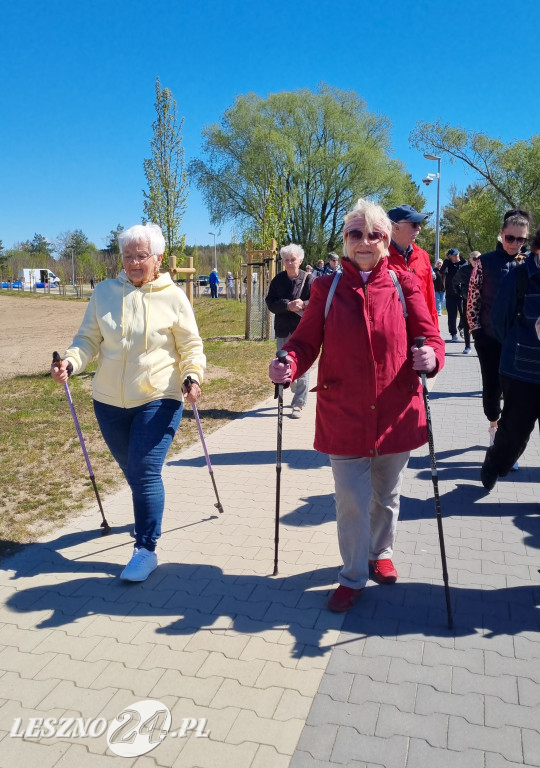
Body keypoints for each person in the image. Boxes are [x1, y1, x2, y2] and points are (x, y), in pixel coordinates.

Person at [269, 199, 445, 612]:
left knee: (386, 495)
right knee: (350, 499)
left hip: (395, 410)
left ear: (386, 239)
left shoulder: (404, 284)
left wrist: (432, 357)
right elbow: (305, 342)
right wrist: (289, 362)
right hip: (344, 411)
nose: (364, 241)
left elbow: (431, 337)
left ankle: (380, 553)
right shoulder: (326, 288)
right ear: (345, 240)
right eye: (355, 234)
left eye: (374, 234)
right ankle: (352, 575)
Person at [50, 223, 206, 582]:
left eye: (142, 255)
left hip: (158, 398)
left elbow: (191, 346)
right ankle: (145, 512)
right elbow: (87, 339)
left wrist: (193, 375)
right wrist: (70, 363)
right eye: (128, 256)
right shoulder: (104, 292)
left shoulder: (173, 297)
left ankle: (145, 549)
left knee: (145, 471)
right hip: (108, 402)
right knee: (134, 471)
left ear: (158, 258)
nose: (134, 262)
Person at [480, 228, 540, 490]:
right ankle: (495, 462)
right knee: (514, 434)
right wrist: (521, 341)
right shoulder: (519, 276)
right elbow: (499, 321)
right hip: (520, 371)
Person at [468, 210, 531, 448]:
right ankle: (494, 426)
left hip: (520, 340)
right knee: (492, 387)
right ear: (501, 234)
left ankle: (508, 438)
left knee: (516, 390)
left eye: (521, 239)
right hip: (489, 338)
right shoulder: (484, 262)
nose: (515, 243)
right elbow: (473, 299)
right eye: (510, 237)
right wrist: (477, 332)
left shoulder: (530, 264)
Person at [265, 244, 314, 419]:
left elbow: (319, 301)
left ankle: (298, 403)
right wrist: (287, 305)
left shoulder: (310, 279)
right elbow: (270, 303)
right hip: (283, 330)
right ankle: (293, 385)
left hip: (303, 330)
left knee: (303, 366)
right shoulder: (277, 280)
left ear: (300, 260)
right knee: (285, 365)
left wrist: (304, 304)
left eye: (293, 259)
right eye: (286, 260)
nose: (290, 263)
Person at [387, 204, 439, 329]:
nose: (419, 228)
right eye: (414, 224)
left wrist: (434, 331)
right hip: (393, 330)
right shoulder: (379, 257)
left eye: (419, 224)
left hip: (421, 329)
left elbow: (430, 299)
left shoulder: (423, 256)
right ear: (396, 227)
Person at [452, 251, 480, 353]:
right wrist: (460, 293)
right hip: (467, 299)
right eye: (475, 258)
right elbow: (454, 282)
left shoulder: (484, 269)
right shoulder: (464, 270)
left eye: (479, 258)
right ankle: (467, 346)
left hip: (481, 300)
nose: (477, 261)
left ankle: (479, 348)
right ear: (470, 259)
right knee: (467, 322)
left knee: (480, 324)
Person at [441, 248, 467, 342]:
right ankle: (453, 333)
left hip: (462, 294)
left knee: (464, 314)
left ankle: (461, 327)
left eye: (457, 254)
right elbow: (442, 272)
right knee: (452, 315)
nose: (456, 256)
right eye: (453, 255)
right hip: (450, 293)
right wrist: (446, 261)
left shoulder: (464, 263)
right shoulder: (448, 264)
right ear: (449, 256)